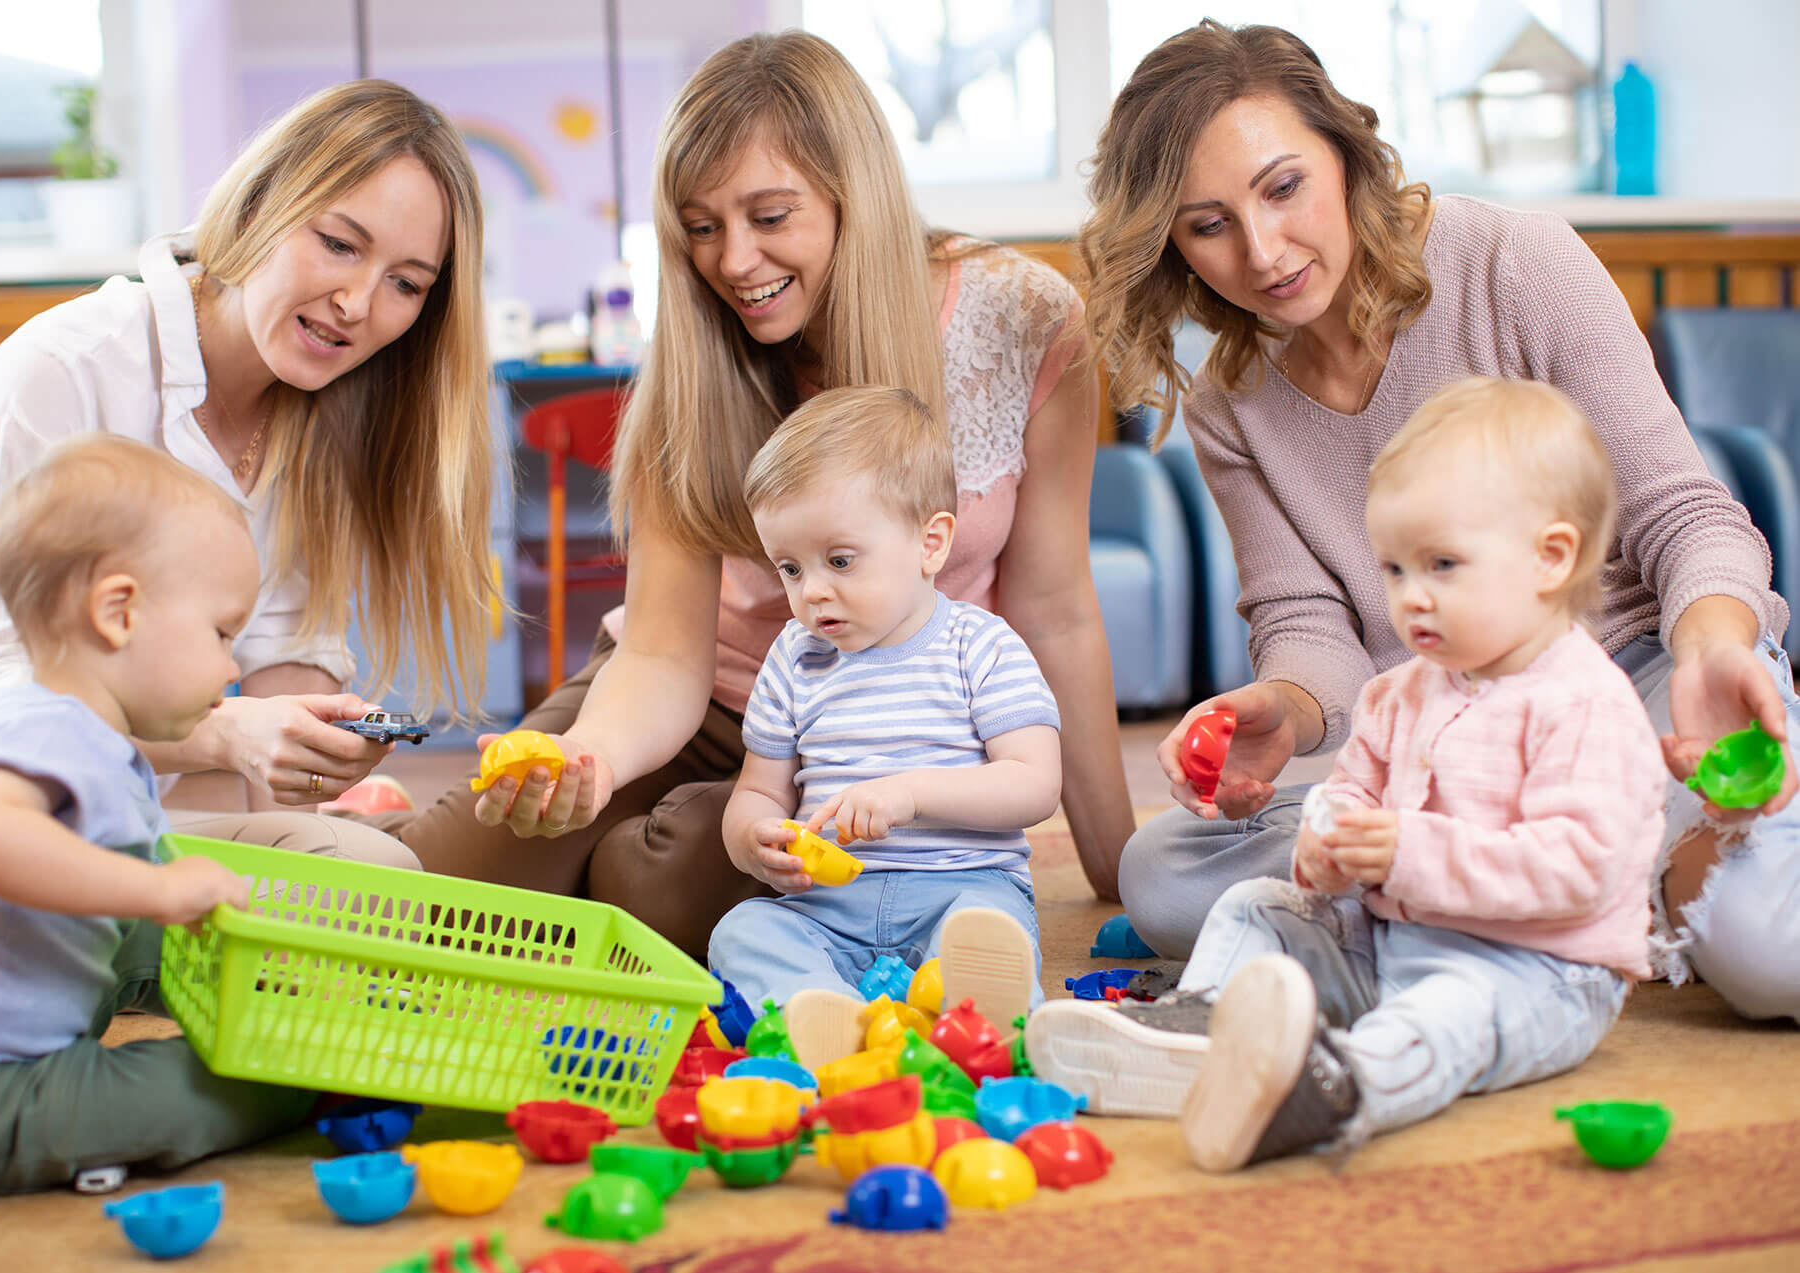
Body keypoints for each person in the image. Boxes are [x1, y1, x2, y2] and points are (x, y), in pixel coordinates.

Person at [350, 31, 1132, 959]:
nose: (733, 261)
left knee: (658, 888)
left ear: (855, 196)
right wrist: (589, 759)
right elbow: (662, 657)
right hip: (691, 703)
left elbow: (1057, 611)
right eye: (703, 225)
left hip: (883, 726)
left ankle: (644, 849)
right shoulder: (696, 355)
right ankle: (397, 830)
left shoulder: (1027, 319)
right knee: (420, 907)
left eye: (770, 215)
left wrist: (1119, 871)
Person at [1082, 21, 1798, 1022]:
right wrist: (1279, 711)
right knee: (1162, 872)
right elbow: (1308, 627)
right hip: (1438, 742)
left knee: (1774, 956)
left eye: (1282, 187)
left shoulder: (1514, 262)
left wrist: (1712, 647)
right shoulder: (1228, 402)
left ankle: (1523, 889)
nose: (1261, 250)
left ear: (1344, 152)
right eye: (1206, 225)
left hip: (1623, 695)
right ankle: (1556, 882)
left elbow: (1684, 515)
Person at [1030, 379, 1664, 1168]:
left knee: (1445, 1017)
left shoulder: (1584, 704)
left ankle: (1332, 1087)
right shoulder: (1399, 692)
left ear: (1551, 557)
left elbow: (1578, 869)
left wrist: (1404, 851)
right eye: (1394, 569)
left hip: (1536, 972)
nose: (1411, 598)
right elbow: (1350, 798)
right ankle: (1198, 1026)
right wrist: (1326, 852)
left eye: (1442, 565)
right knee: (1258, 903)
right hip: (1392, 938)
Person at [0, 80, 496, 868]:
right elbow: (3, 701)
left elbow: (284, 668)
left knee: (380, 875)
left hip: (146, 772)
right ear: (259, 206)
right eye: (340, 244)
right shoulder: (65, 367)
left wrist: (310, 755)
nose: (357, 302)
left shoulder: (329, 417)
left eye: (406, 283)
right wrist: (223, 734)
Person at [0, 436, 316, 1197]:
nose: (232, 666)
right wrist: (154, 891)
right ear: (118, 611)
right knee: (224, 1089)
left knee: (158, 927)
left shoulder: (90, 739)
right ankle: (299, 1068)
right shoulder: (42, 726)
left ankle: (277, 1005)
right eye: (222, 633)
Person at [707, 387, 1059, 1044]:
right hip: (827, 906)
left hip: (960, 888)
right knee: (742, 930)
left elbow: (1035, 784)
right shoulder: (794, 658)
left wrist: (911, 795)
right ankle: (833, 1017)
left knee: (986, 933)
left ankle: (968, 1018)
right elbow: (758, 788)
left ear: (930, 543)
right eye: (789, 567)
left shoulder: (983, 648)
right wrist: (752, 838)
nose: (812, 591)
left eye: (839, 560)